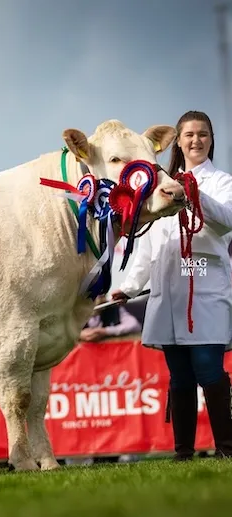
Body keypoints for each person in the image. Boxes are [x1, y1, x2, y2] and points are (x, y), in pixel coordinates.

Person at [111, 110, 232, 460]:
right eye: (190, 134)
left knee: (208, 367)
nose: (196, 140)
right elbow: (149, 245)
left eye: (203, 134)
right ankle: (183, 452)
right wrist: (129, 286)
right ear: (177, 141)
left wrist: (196, 196)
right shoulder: (163, 183)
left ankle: (226, 447)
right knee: (179, 374)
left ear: (211, 140)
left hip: (205, 287)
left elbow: (226, 223)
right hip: (168, 291)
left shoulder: (222, 181)